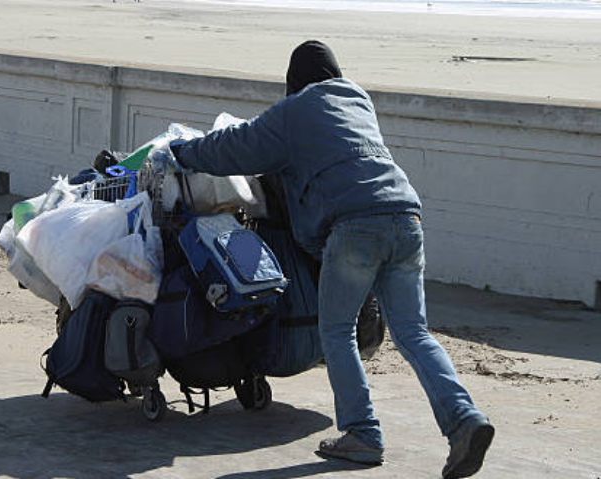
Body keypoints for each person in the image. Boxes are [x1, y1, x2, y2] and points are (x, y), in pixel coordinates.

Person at [161, 40, 494, 478]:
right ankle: (464, 420)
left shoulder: (296, 110)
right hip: (406, 216)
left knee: (336, 331)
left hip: (355, 227)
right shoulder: (358, 101)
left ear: (294, 80)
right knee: (414, 333)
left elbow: (237, 147)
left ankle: (363, 432)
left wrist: (180, 153)